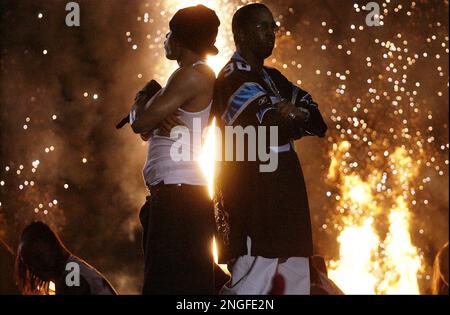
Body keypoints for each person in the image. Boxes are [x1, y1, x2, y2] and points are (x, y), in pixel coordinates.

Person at [212, 3, 329, 294]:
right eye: (262, 26)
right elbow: (271, 125)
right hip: (252, 198)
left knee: (296, 283)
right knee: (251, 287)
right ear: (240, 33)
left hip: (287, 200)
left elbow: (317, 121)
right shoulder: (230, 78)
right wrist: (286, 112)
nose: (271, 33)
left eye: (273, 27)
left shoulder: (273, 78)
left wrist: (294, 113)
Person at [130, 5, 220, 294]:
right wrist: (149, 113)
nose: (164, 39)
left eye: (169, 33)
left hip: (178, 197)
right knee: (184, 283)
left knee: (166, 285)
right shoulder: (188, 76)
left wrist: (141, 98)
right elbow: (147, 129)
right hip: (176, 195)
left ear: (179, 40)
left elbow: (139, 122)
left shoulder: (192, 75)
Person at [15, 221, 116, 295]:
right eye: (29, 264)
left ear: (50, 245)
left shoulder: (72, 277)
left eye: (38, 257)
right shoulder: (72, 270)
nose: (35, 268)